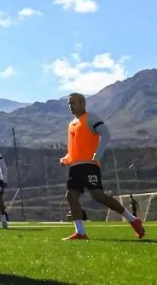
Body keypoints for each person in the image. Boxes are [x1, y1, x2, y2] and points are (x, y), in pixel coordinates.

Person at [60, 93, 145, 240]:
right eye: (69, 103)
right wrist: (67, 159)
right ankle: (80, 232)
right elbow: (73, 148)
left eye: (73, 103)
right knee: (71, 196)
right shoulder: (71, 124)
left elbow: (106, 135)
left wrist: (98, 154)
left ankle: (133, 220)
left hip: (89, 165)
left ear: (82, 103)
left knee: (99, 196)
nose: (70, 106)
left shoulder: (91, 118)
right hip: (75, 167)